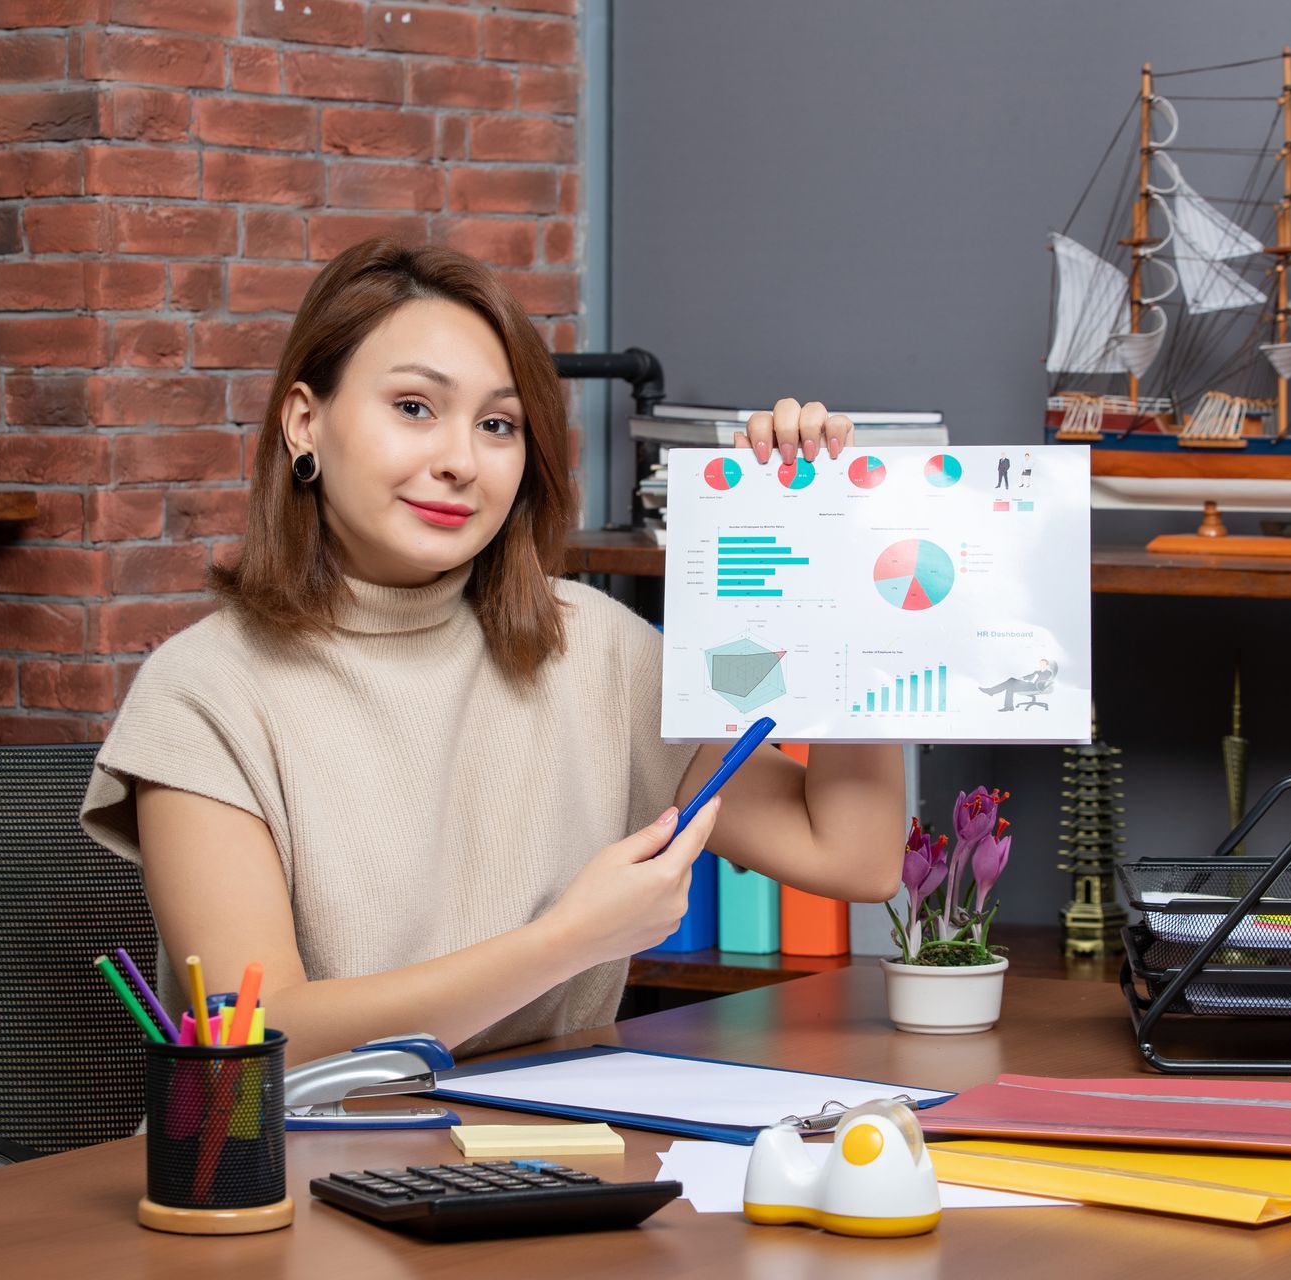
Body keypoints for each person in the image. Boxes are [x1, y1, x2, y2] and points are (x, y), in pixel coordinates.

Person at [81, 240, 906, 1065]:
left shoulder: (597, 650)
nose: (459, 462)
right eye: (412, 407)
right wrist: (567, 941)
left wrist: (834, 560)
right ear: (306, 422)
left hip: (554, 1161)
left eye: (497, 425)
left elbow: (855, 855)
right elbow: (264, 1036)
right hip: (294, 1173)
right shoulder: (203, 692)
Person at [980, 658, 1056, 711]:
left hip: (1036, 687)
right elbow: (1030, 676)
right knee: (1010, 686)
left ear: (1046, 665)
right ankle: (1008, 707)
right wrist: (1022, 677)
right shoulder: (1037, 671)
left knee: (1011, 680)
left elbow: (1042, 680)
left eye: (1042, 664)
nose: (1040, 665)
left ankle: (991, 691)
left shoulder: (1048, 672)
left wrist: (1040, 672)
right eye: (1040, 664)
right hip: (1029, 685)